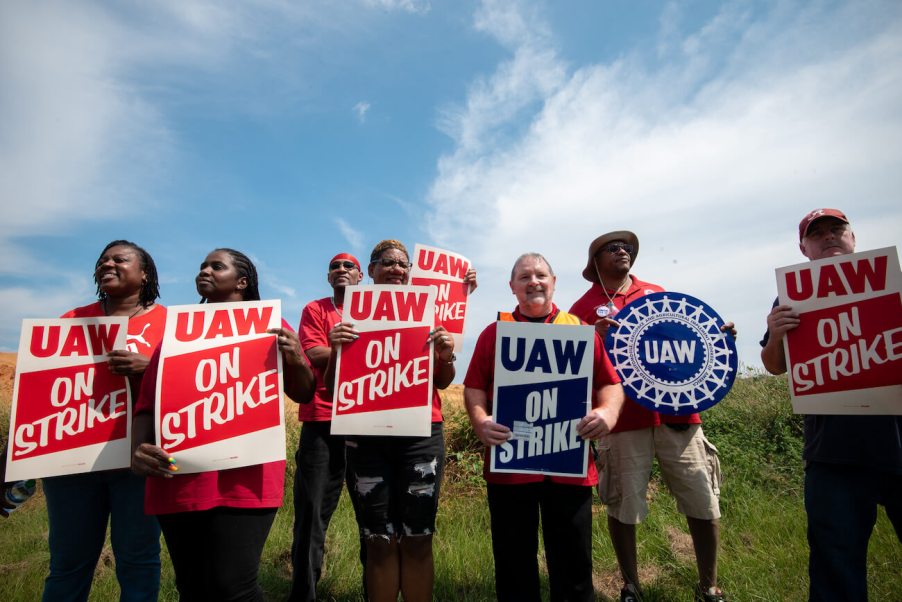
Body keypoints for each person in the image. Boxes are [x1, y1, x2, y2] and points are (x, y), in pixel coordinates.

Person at [131, 248, 315, 601]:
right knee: (193, 588)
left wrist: (294, 356)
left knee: (234, 588)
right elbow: (146, 407)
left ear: (242, 281)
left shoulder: (270, 326)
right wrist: (137, 449)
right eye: (202, 265)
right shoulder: (175, 333)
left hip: (246, 480)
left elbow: (304, 392)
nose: (205, 270)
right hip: (178, 480)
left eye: (217, 266)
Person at [569, 231, 728, 602]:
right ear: (595, 261)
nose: (623, 251)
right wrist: (590, 337)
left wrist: (716, 337)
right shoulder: (581, 310)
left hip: (678, 416)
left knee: (702, 501)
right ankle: (631, 586)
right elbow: (573, 369)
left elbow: (685, 342)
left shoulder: (658, 293)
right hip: (623, 421)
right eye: (614, 247)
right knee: (623, 504)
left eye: (628, 248)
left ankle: (709, 586)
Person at [463, 252, 626, 602]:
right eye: (524, 277)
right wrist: (480, 420)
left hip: (570, 469)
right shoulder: (495, 333)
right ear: (512, 287)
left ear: (553, 282)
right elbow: (474, 385)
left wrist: (607, 414)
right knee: (513, 564)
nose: (533, 282)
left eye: (540, 275)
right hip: (510, 469)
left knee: (573, 564)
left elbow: (610, 384)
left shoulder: (581, 332)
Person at [760, 208, 901, 602]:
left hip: (897, 441)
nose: (828, 238)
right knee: (836, 563)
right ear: (803, 248)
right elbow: (774, 366)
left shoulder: (892, 281)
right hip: (832, 452)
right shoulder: (791, 294)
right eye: (817, 234)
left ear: (852, 237)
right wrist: (775, 334)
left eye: (836, 230)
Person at [325, 239, 458, 602]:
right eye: (388, 262)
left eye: (403, 264)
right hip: (365, 436)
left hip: (421, 434)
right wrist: (337, 349)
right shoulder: (350, 316)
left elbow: (442, 382)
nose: (397, 269)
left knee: (418, 536)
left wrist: (445, 355)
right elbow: (330, 386)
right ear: (370, 271)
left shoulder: (427, 313)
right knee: (379, 539)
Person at [39, 240, 166, 602]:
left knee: (139, 561)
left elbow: (188, 389)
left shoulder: (169, 324)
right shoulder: (72, 320)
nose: (107, 263)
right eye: (102, 260)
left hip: (136, 463)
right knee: (67, 565)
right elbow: (40, 394)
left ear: (144, 274)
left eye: (119, 259)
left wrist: (149, 367)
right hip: (72, 463)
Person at [289, 253, 365, 602]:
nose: (342, 270)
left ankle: (374, 591)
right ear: (328, 276)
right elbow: (313, 354)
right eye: (335, 266)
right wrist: (350, 347)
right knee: (312, 514)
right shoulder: (315, 310)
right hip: (322, 420)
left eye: (349, 266)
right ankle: (304, 594)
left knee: (374, 517)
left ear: (362, 275)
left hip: (368, 423)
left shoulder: (378, 308)